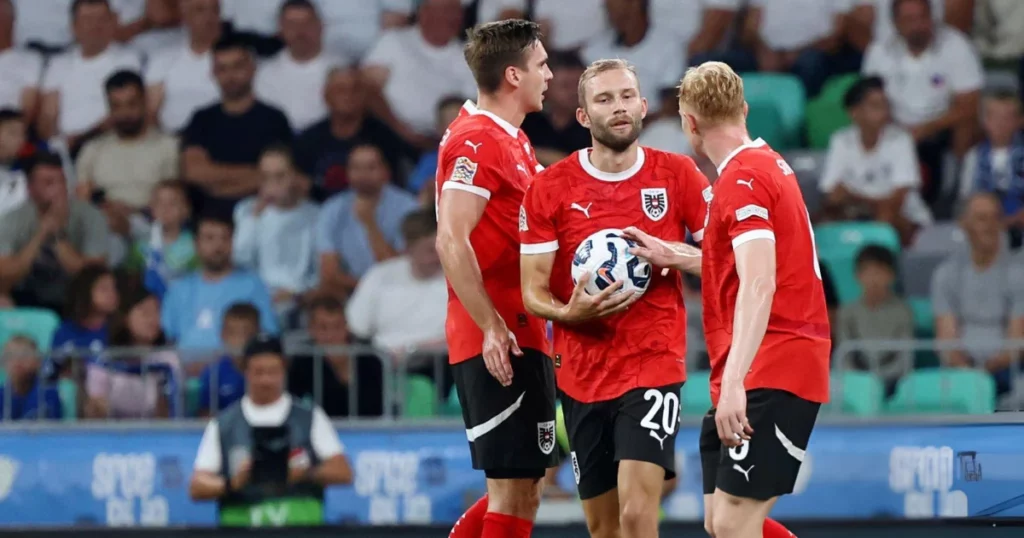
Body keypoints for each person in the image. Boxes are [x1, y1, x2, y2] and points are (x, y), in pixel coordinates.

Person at [626, 61, 830, 538]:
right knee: (722, 522)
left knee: (736, 521)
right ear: (744, 109)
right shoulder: (762, 166)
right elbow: (740, 264)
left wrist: (736, 381)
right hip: (759, 361)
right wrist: (672, 254)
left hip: (773, 362)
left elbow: (761, 282)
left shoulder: (742, 181)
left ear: (689, 124)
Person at [519, 59, 709, 538]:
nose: (619, 107)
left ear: (643, 105)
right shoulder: (549, 188)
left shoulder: (679, 175)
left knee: (637, 515)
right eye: (604, 99)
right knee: (604, 528)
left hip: (654, 362)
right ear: (583, 116)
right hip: (582, 372)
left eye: (627, 96)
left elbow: (729, 261)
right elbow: (531, 289)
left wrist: (677, 255)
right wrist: (568, 313)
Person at [438, 19, 554, 538]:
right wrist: (489, 326)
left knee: (524, 484)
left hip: (521, 330)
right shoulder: (476, 143)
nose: (550, 75)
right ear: (513, 75)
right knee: (512, 488)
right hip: (496, 338)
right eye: (542, 65)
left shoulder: (512, 141)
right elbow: (450, 239)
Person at [189, 334, 353, 526]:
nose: (266, 380)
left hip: (300, 528)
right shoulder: (223, 424)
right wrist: (232, 483)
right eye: (258, 372)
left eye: (273, 371)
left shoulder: (310, 417)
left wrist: (307, 473)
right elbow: (197, 485)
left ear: (284, 370)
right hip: (242, 527)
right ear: (245, 371)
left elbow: (343, 472)